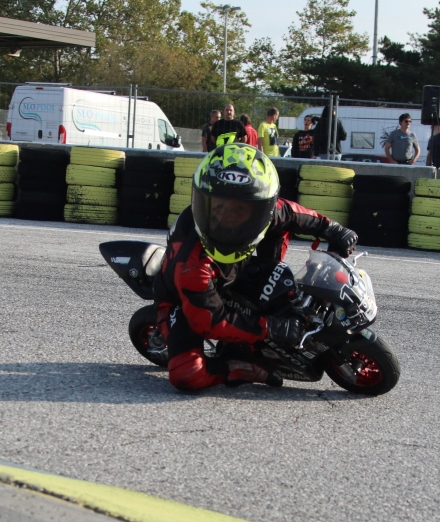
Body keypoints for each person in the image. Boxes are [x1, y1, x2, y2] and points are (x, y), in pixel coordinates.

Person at [152, 143, 358, 390]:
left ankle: (269, 293)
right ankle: (240, 367)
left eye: (240, 209)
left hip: (233, 272)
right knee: (187, 374)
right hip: (183, 300)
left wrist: (333, 229)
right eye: (219, 206)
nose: (228, 216)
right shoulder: (191, 263)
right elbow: (210, 321)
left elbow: (293, 212)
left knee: (282, 230)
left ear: (260, 209)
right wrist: (271, 328)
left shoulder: (267, 212)